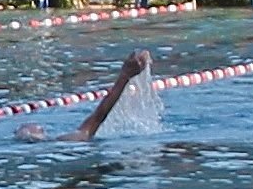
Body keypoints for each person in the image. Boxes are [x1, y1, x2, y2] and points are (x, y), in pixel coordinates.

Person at [14, 51, 155, 142]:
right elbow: (99, 115)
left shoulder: (65, 140)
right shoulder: (70, 139)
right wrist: (124, 77)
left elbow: (99, 116)